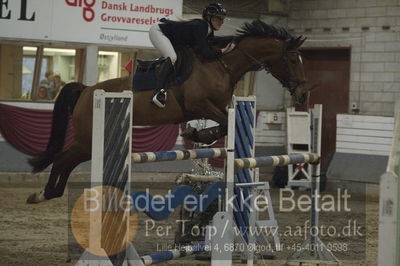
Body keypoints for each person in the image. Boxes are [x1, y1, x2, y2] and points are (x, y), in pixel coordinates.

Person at [148, 2, 235, 108]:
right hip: (158, 31)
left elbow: (214, 41)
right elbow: (206, 54)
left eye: (222, 19)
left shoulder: (208, 30)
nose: (222, 22)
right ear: (209, 17)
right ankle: (159, 92)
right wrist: (222, 51)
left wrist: (233, 38)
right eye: (219, 18)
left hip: (169, 36)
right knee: (172, 57)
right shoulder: (201, 26)